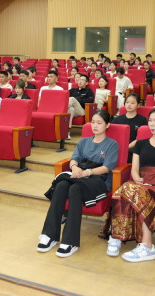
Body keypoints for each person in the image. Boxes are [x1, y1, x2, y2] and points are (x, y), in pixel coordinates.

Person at [38, 110, 119, 257]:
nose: (95, 126)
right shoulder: (83, 141)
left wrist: (88, 172)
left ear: (107, 125)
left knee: (75, 188)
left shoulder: (112, 144)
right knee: (62, 185)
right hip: (80, 174)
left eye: (99, 123)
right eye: (93, 122)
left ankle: (70, 241)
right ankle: (50, 235)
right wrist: (74, 167)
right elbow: (74, 159)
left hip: (98, 180)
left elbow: (107, 167)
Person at [107, 108, 155, 261]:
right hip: (140, 182)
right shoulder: (140, 143)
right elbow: (134, 169)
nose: (152, 124)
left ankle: (147, 246)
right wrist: (136, 178)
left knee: (131, 190)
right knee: (123, 190)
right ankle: (117, 236)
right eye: (150, 121)